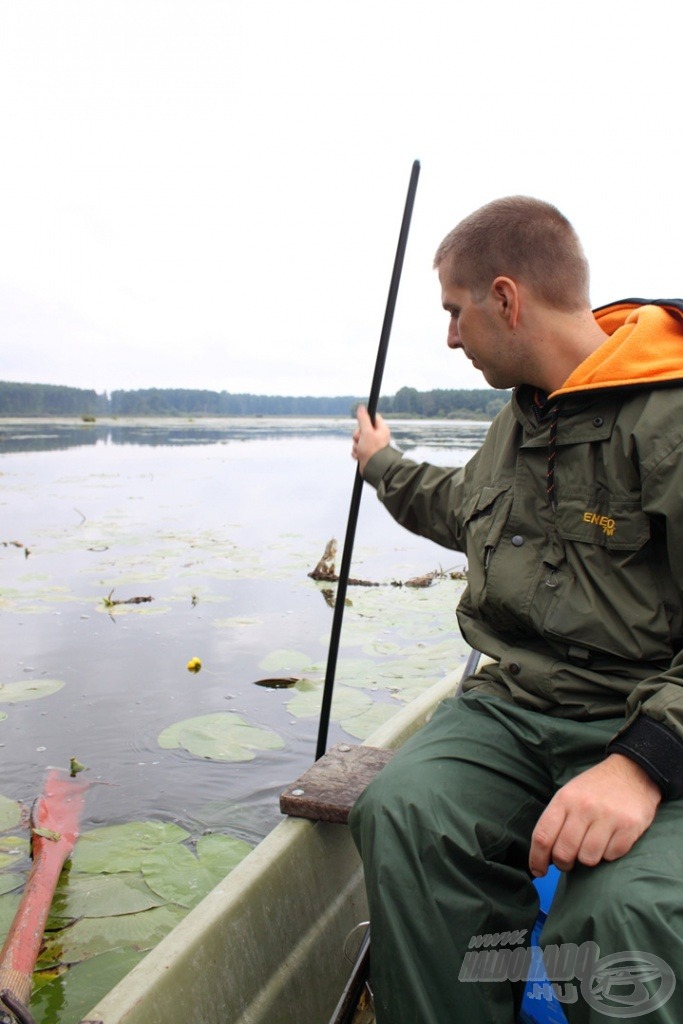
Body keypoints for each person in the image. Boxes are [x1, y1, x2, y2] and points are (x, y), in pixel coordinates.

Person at [348, 196, 683, 1023]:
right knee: (403, 812)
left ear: (505, 298)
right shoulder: (518, 418)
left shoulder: (668, 418)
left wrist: (643, 762)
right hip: (518, 708)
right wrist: (381, 462)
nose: (451, 336)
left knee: (613, 915)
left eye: (455, 312)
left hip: (651, 717)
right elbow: (457, 506)